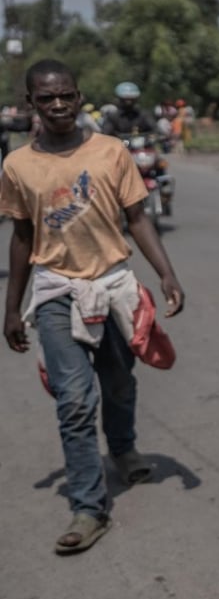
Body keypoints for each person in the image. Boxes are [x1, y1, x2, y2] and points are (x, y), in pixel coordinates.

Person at [1, 59, 185, 555]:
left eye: (66, 95)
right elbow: (21, 236)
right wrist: (11, 307)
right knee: (75, 399)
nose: (58, 105)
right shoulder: (18, 165)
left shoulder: (110, 151)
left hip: (114, 286)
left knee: (120, 381)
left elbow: (138, 217)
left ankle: (122, 448)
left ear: (79, 97)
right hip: (57, 291)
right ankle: (88, 506)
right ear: (31, 104)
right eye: (46, 98)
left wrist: (166, 273)